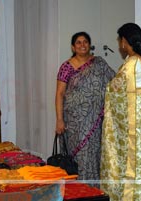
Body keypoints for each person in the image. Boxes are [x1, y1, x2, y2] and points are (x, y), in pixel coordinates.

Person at [100, 23, 141, 201]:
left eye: (119, 40)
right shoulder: (139, 58)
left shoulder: (131, 63)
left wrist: (107, 89)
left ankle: (131, 196)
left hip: (135, 115)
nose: (119, 44)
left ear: (125, 41)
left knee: (132, 156)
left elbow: (115, 88)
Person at [55, 31, 115, 183]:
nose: (82, 45)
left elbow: (115, 81)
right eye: (78, 43)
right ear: (73, 47)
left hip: (95, 120)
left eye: (85, 42)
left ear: (90, 45)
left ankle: (93, 188)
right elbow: (60, 94)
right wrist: (59, 120)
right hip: (73, 121)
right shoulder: (66, 67)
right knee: (77, 155)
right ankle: (78, 188)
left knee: (93, 154)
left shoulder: (99, 63)